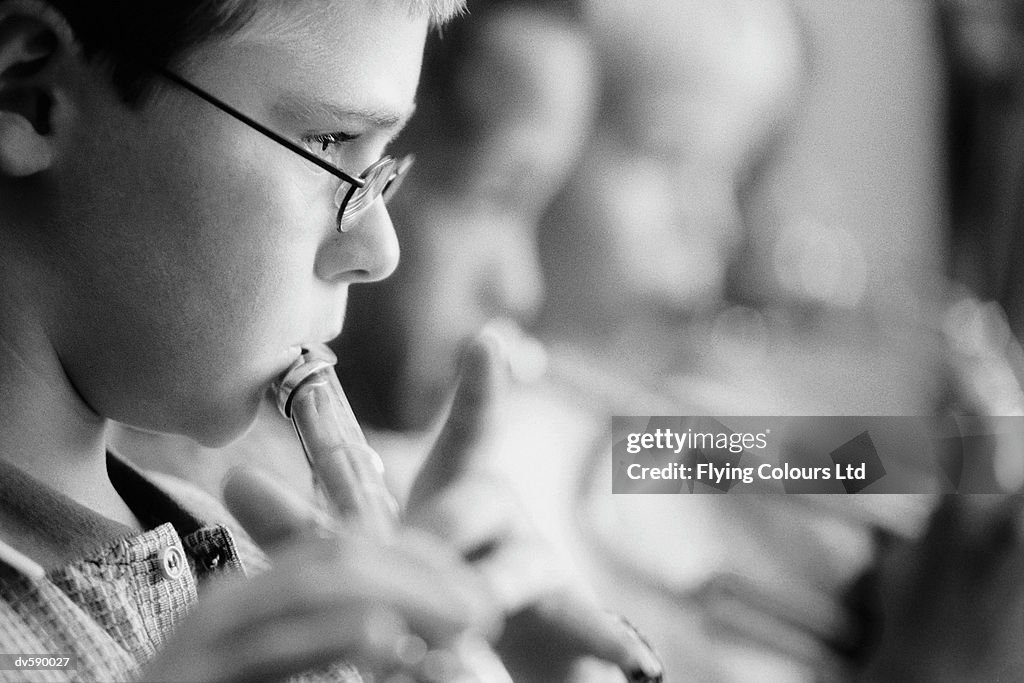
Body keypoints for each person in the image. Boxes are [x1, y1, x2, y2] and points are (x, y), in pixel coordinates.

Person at [0, 1, 660, 682]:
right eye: (329, 142)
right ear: (33, 93)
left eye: (381, 172)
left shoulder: (253, 561)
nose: (380, 249)